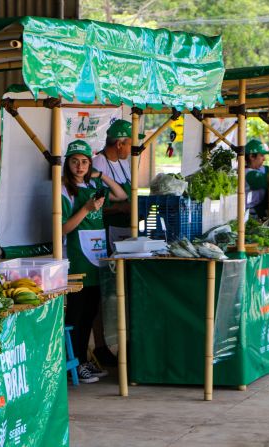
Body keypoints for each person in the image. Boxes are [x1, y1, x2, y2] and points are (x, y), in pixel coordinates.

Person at [62, 140, 128, 383]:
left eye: (84, 162)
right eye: (74, 161)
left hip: (97, 255)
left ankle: (83, 359)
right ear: (67, 164)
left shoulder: (93, 184)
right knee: (76, 314)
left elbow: (121, 194)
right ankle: (74, 364)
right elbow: (62, 229)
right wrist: (87, 209)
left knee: (90, 312)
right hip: (77, 258)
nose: (79, 166)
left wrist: (101, 175)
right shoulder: (63, 191)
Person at [91, 119, 144, 366]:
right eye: (129, 143)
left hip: (125, 232)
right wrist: (123, 206)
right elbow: (94, 205)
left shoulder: (123, 163)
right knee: (104, 291)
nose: (131, 148)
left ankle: (125, 343)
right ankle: (100, 345)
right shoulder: (98, 164)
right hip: (105, 233)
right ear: (120, 142)